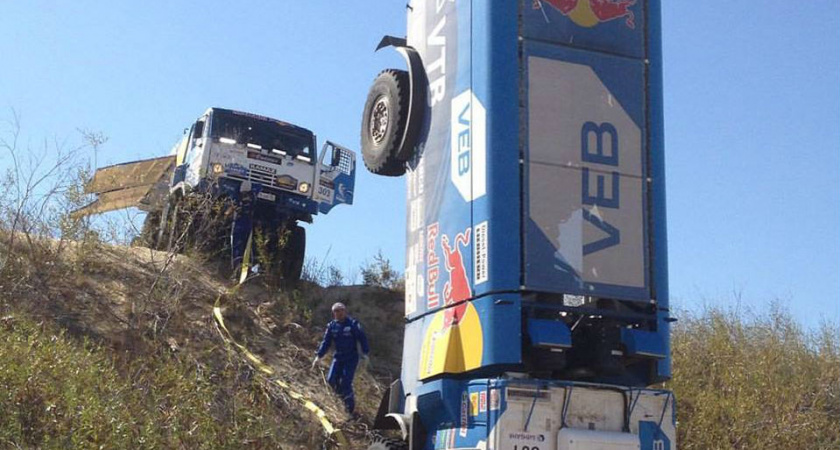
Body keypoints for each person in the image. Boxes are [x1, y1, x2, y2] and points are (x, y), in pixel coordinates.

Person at [313, 302, 370, 414]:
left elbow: (362, 338)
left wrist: (365, 353)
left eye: (341, 310)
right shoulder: (332, 326)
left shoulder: (353, 324)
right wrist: (318, 356)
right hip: (338, 357)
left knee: (346, 383)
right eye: (336, 311)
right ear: (333, 313)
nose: (339, 313)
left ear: (345, 311)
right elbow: (326, 342)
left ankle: (350, 410)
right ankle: (340, 400)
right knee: (331, 380)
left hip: (351, 358)